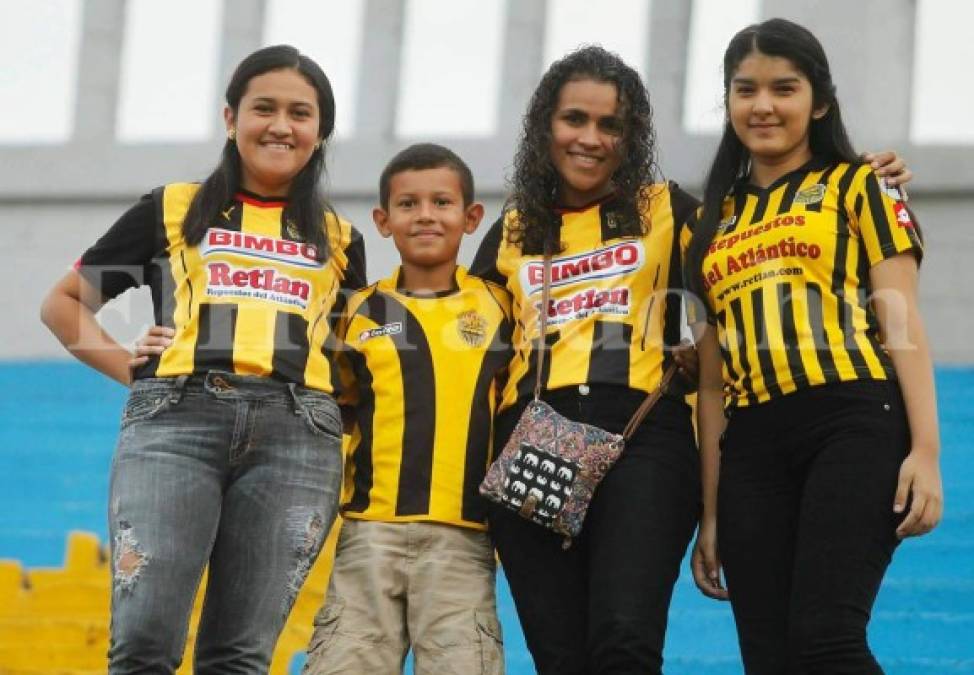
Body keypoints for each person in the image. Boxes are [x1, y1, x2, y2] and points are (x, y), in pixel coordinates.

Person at [470, 45, 912, 675]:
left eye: (611, 125)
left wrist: (871, 171)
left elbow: (768, 242)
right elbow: (467, 346)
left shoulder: (674, 210)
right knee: (559, 656)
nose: (590, 139)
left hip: (646, 441)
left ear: (634, 135)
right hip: (532, 440)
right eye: (574, 120)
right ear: (546, 125)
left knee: (624, 639)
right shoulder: (511, 229)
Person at [39, 45, 365, 674]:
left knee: (240, 658)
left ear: (320, 130)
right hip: (175, 426)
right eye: (263, 108)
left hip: (301, 438)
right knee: (144, 647)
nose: (280, 125)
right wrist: (130, 369)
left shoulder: (341, 239)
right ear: (229, 117)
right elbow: (64, 305)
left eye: (301, 113)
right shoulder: (172, 208)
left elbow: (345, 354)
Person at [684, 18, 942, 674]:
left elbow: (901, 318)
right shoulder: (712, 221)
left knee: (826, 640)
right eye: (744, 90)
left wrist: (926, 451)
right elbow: (710, 382)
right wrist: (711, 513)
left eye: (784, 88)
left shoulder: (864, 184)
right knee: (769, 659)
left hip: (852, 423)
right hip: (750, 448)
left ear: (819, 102)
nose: (763, 104)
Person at [302, 143, 510, 674]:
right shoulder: (354, 312)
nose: (424, 215)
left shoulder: (501, 307)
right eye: (408, 204)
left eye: (441, 202)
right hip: (369, 535)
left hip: (464, 537)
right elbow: (336, 406)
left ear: (470, 217)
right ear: (383, 220)